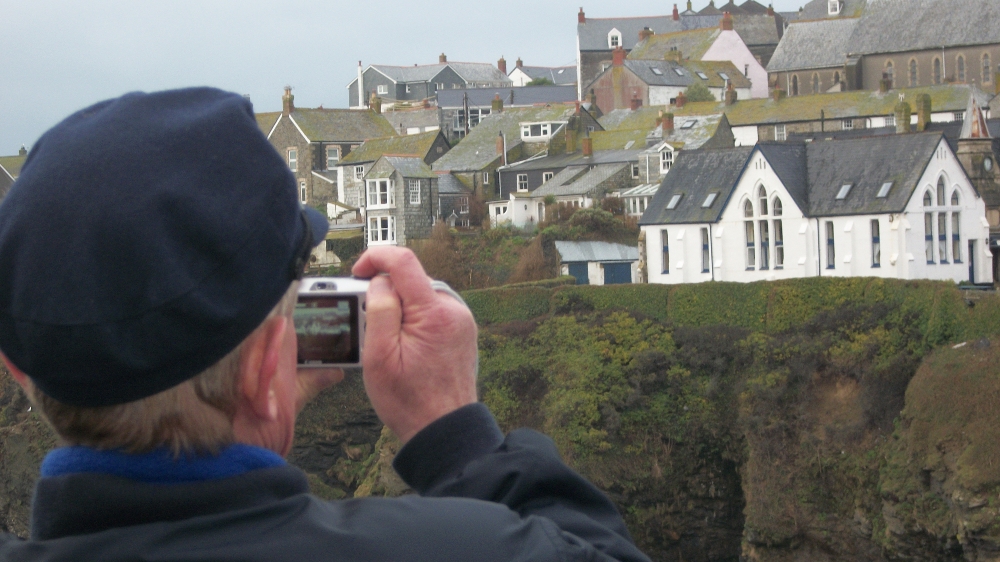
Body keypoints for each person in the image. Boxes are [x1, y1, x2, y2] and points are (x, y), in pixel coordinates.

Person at [0, 87, 650, 562]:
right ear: (264, 366)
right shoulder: (469, 549)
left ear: (18, 369)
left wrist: (264, 387)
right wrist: (451, 431)